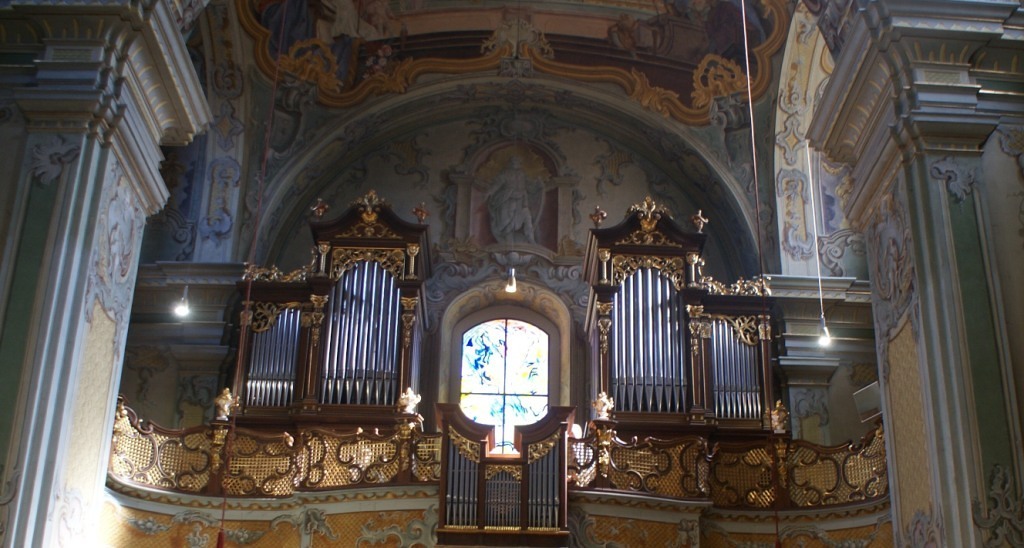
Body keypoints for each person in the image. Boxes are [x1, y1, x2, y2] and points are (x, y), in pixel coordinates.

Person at [486, 156, 544, 245]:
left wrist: (538, 184)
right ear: (510, 163)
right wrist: (489, 192)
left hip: (522, 201)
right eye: (513, 161)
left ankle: (530, 238)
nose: (514, 163)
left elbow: (530, 185)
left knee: (527, 217)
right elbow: (497, 184)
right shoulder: (505, 173)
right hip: (508, 200)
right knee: (508, 220)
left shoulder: (522, 174)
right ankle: (508, 241)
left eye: (516, 161)